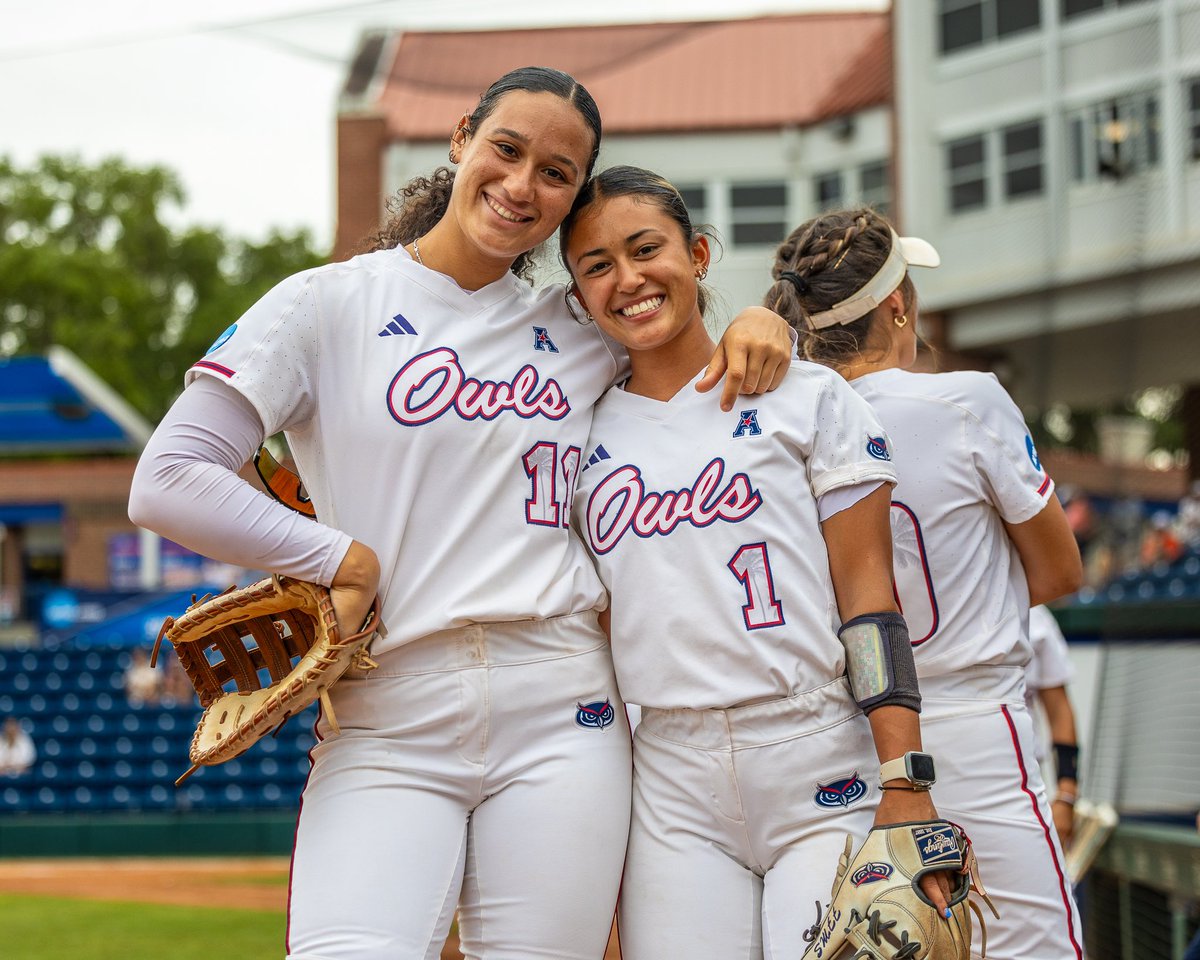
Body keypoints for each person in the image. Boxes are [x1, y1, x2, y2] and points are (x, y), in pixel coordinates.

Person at [128, 67, 793, 960]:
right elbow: (167, 476)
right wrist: (340, 559)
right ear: (461, 139)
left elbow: (674, 324)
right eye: (507, 150)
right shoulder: (327, 305)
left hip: (564, 709)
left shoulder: (582, 327)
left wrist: (763, 319)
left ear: (570, 203)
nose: (523, 185)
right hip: (388, 708)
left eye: (556, 174)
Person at [561, 167, 958, 959]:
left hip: (817, 754)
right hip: (668, 777)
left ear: (700, 254)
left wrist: (907, 784)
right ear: (577, 294)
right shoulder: (574, 431)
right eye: (597, 265)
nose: (628, 279)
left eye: (646, 249)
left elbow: (870, 600)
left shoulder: (809, 397)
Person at [766, 207, 1087, 960]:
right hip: (972, 728)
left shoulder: (774, 418)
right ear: (897, 305)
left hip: (840, 744)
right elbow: (1061, 571)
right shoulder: (964, 400)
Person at [1025, 604, 1081, 851]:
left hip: (1022, 782)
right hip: (935, 777)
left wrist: (1066, 796)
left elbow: (1059, 711)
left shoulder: (1034, 614)